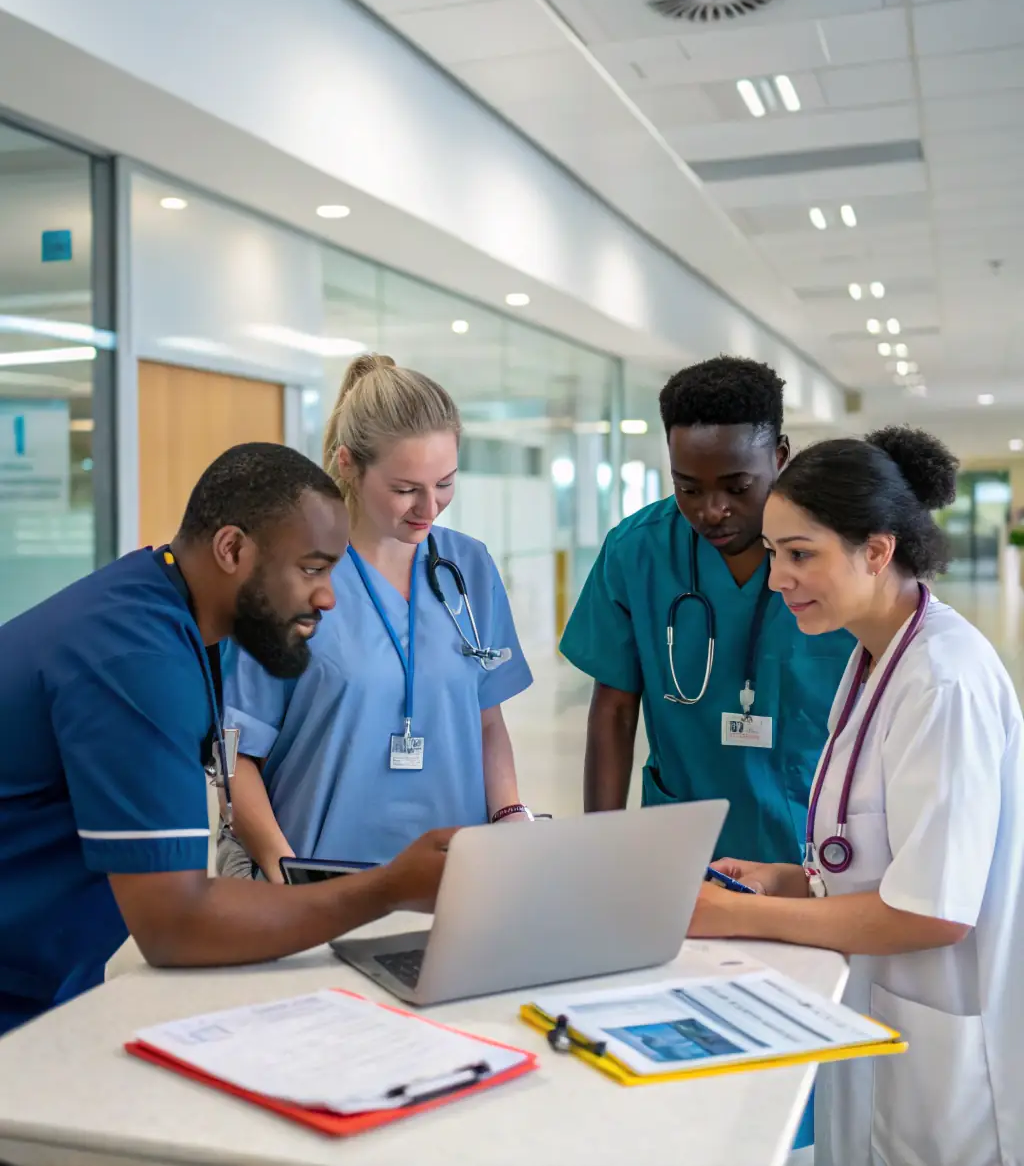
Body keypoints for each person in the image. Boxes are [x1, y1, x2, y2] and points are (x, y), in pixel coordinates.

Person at [0, 443, 451, 1037]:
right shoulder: (135, 659)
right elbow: (175, 923)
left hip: (42, 982)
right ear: (232, 549)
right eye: (312, 569)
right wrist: (389, 888)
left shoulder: (166, 605)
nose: (328, 597)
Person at [689, 427, 1024, 1166]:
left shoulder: (943, 679)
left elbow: (933, 910)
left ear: (877, 549)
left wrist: (744, 914)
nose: (778, 578)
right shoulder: (876, 654)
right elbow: (879, 851)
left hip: (948, 1057)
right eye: (775, 552)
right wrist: (792, 881)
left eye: (801, 553)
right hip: (880, 1017)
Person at [218, 354, 534, 882]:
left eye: (446, 483)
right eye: (406, 489)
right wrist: (285, 875)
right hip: (318, 881)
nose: (429, 509)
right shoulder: (284, 576)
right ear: (348, 463)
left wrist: (508, 815)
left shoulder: (467, 566)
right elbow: (236, 759)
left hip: (450, 879)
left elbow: (487, 720)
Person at [561, 356, 854, 863]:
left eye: (737, 487)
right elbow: (613, 708)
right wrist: (597, 850)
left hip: (812, 842)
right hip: (683, 843)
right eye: (688, 487)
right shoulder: (638, 552)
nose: (711, 510)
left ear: (780, 457)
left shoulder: (839, 554)